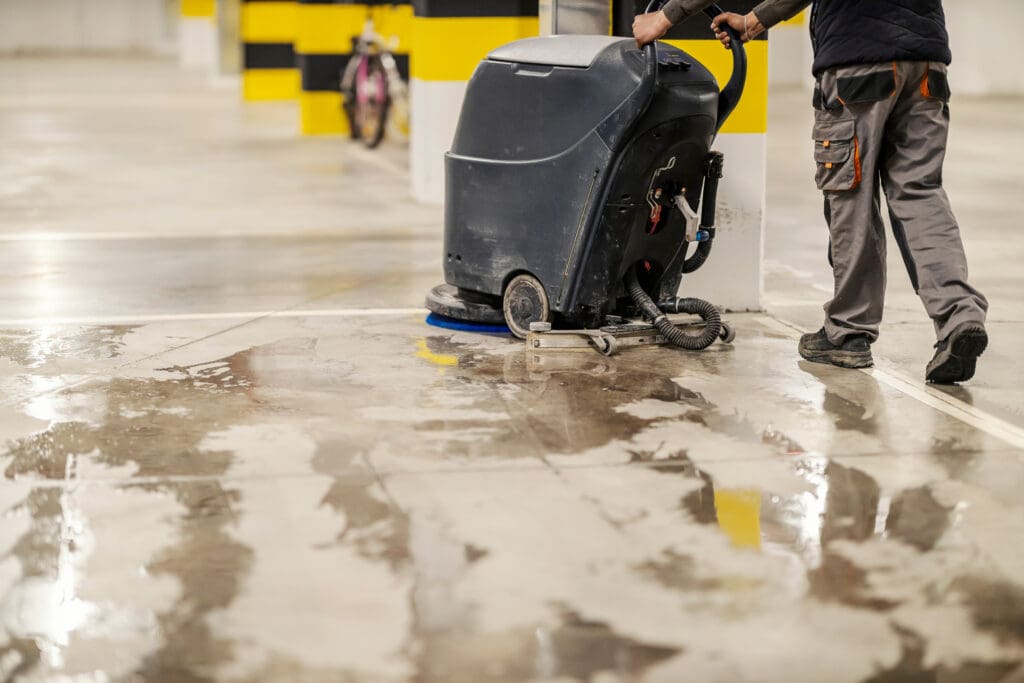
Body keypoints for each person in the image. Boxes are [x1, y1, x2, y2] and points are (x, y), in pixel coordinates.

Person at [634, 0, 989, 384]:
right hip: (927, 64)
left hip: (857, 63)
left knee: (850, 198)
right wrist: (753, 22)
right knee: (920, 193)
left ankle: (848, 333)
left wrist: (667, 16)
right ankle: (960, 316)